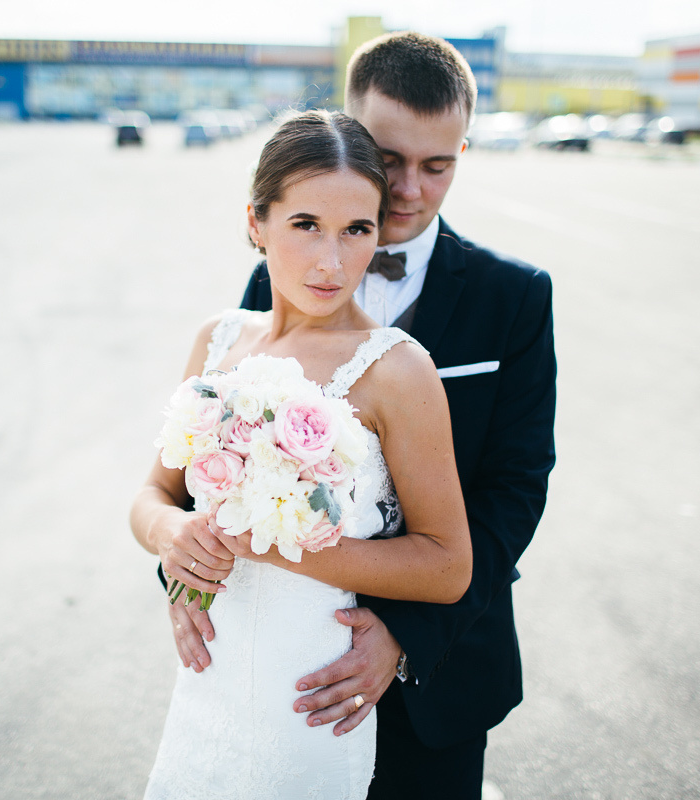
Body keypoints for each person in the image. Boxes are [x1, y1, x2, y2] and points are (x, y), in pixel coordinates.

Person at [170, 32, 557, 799]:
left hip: (437, 673)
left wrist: (406, 635)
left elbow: (514, 487)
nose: (410, 188)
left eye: (438, 165)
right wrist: (185, 576)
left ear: (461, 153)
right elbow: (222, 454)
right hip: (273, 667)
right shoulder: (276, 273)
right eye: (390, 160)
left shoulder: (511, 296)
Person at [130, 109, 473, 799]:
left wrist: (273, 544)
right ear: (257, 222)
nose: (332, 260)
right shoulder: (219, 341)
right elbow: (151, 498)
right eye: (306, 224)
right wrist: (176, 537)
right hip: (210, 679)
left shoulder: (398, 369)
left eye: (357, 231)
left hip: (314, 688)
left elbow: (447, 565)